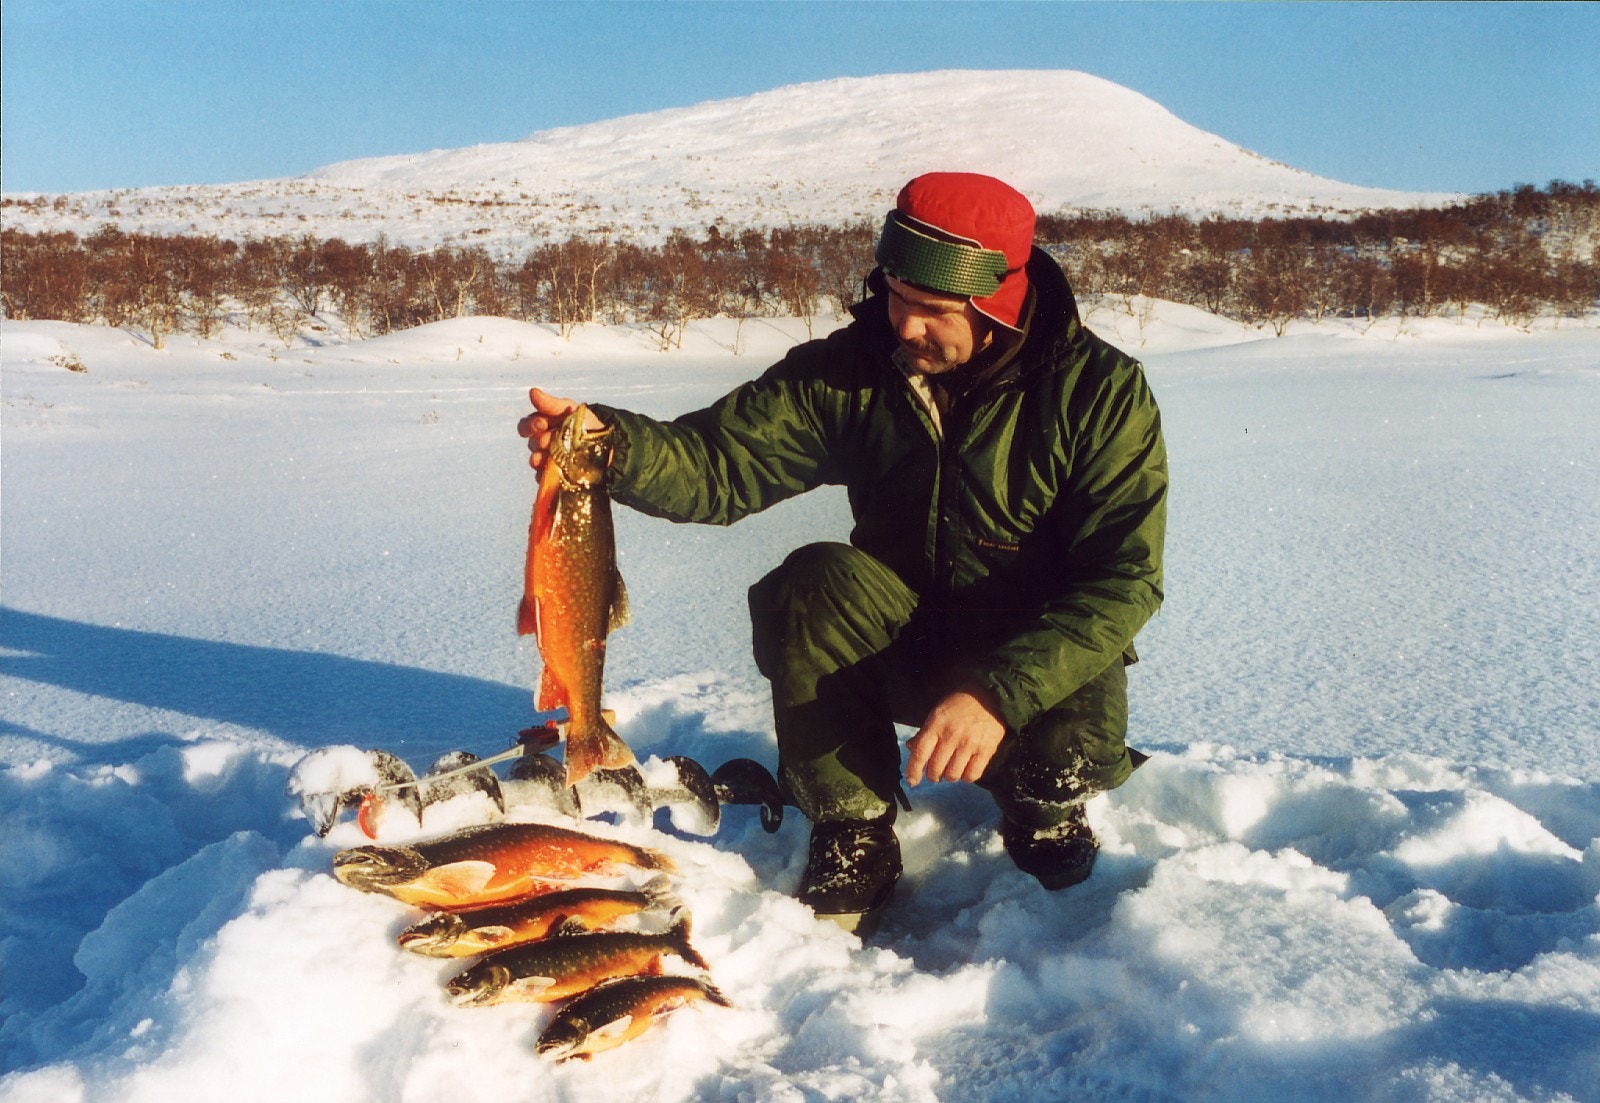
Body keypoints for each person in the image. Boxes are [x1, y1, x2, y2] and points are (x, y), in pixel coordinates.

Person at [519, 172, 1166, 934]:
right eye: (895, 295)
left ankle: (1042, 812)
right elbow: (722, 462)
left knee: (1065, 743)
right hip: (906, 638)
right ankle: (852, 827)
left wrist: (997, 694)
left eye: (933, 309)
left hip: (1034, 659)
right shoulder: (854, 371)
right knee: (809, 585)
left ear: (996, 301)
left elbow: (1125, 580)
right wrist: (610, 446)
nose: (905, 325)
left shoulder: (1100, 393)